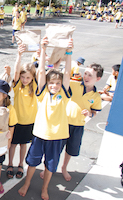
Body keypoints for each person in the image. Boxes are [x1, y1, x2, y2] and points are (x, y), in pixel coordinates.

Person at [18, 36, 73, 200]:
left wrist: (69, 51)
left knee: (50, 165)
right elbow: (41, 71)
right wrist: (43, 48)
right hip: (40, 134)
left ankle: (44, 188)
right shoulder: (42, 94)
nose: (54, 85)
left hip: (57, 137)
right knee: (33, 162)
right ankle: (27, 183)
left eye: (57, 83)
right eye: (51, 83)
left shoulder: (64, 94)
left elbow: (68, 72)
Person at [46, 63, 103, 183]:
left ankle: (64, 167)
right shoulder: (74, 85)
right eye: (86, 74)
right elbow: (63, 80)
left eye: (90, 75)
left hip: (78, 126)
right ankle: (49, 169)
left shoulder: (96, 96)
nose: (86, 77)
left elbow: (95, 112)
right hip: (64, 123)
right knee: (57, 148)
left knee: (70, 149)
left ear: (98, 79)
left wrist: (90, 113)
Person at [7, 44, 37, 179]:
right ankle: (10, 164)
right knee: (12, 144)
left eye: (28, 78)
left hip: (29, 121)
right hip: (16, 121)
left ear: (32, 78)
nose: (25, 80)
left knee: (23, 145)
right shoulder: (18, 86)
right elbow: (16, 72)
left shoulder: (35, 87)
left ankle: (20, 164)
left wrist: (41, 55)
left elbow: (41, 73)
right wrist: (19, 55)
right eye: (23, 77)